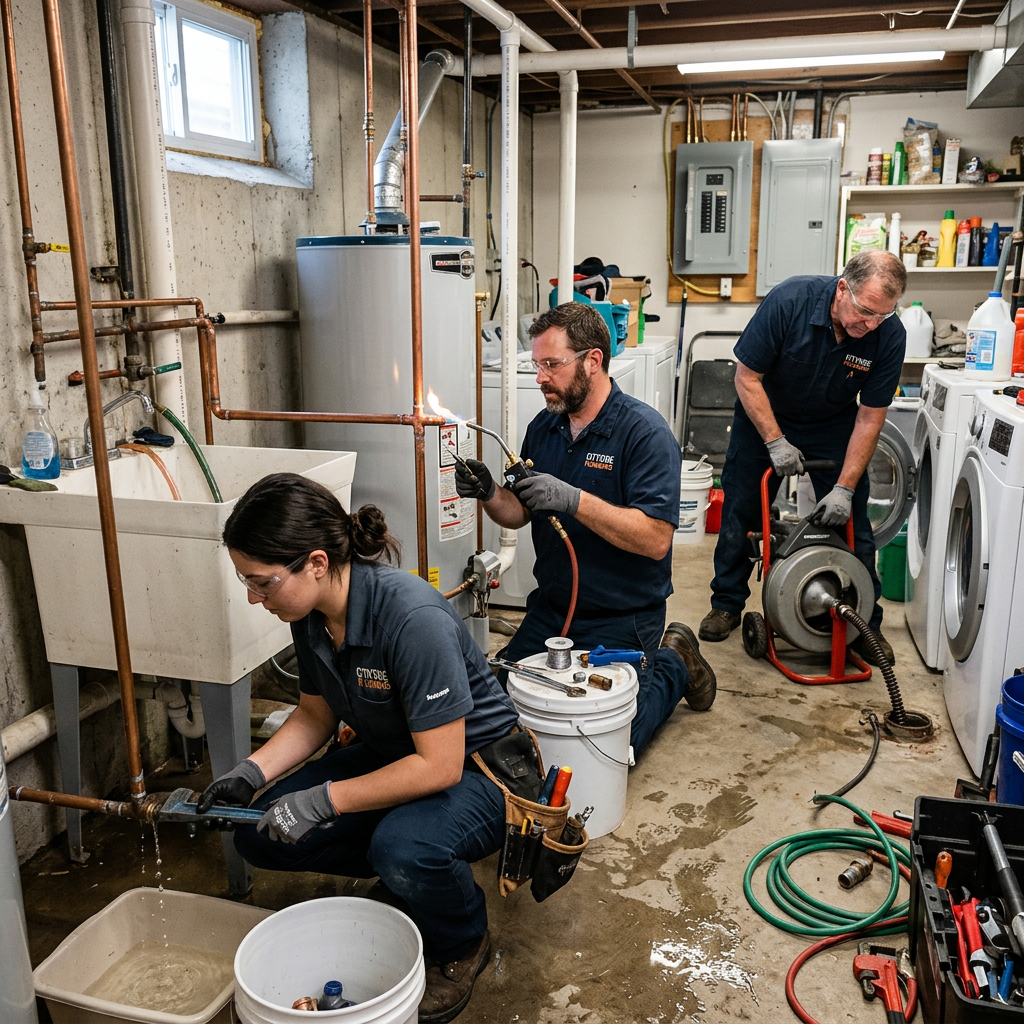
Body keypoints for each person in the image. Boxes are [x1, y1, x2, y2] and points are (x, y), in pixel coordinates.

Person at [196, 473, 519, 1023]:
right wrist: (250, 774)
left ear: (316, 563)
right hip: (397, 756)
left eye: (262, 582)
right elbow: (316, 714)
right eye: (246, 582)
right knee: (259, 830)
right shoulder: (311, 612)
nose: (254, 598)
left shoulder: (410, 619)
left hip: (481, 769)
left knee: (403, 846)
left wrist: (325, 800)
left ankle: (463, 939)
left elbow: (440, 766)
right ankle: (405, 876)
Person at [455, 302, 717, 758]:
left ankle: (674, 660)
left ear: (592, 361)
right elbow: (519, 512)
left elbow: (655, 539)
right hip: (552, 612)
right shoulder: (544, 427)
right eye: (536, 365)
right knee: (492, 717)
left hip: (622, 617)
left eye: (551, 365)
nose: (540, 377)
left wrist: (573, 499)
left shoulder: (644, 434)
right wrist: (490, 492)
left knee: (609, 744)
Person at [698, 249, 908, 664]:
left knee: (855, 524)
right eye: (865, 311)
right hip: (766, 413)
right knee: (742, 509)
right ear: (842, 288)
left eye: (881, 316)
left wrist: (845, 487)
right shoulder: (790, 300)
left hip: (833, 422)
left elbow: (870, 418)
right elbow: (746, 377)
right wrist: (775, 442)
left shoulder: (889, 333)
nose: (870, 325)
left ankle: (867, 621)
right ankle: (726, 603)